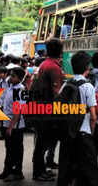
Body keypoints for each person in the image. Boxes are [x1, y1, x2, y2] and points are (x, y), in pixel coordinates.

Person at [57, 51, 98, 186]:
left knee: (65, 168)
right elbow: (93, 116)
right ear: (87, 67)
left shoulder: (66, 84)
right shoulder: (88, 87)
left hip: (68, 133)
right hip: (83, 133)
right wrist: (92, 133)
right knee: (89, 169)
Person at [32, 39, 64, 181]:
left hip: (41, 108)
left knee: (42, 142)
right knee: (43, 142)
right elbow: (57, 93)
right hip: (48, 110)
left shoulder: (45, 64)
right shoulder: (53, 67)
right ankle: (38, 172)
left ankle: (41, 169)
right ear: (60, 51)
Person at [0, 67, 26, 182]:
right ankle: (7, 170)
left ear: (19, 78)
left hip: (16, 125)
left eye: (13, 76)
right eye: (10, 75)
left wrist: (10, 127)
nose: (10, 77)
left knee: (16, 149)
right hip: (6, 122)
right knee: (9, 148)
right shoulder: (10, 87)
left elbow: (18, 111)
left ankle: (17, 172)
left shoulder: (21, 90)